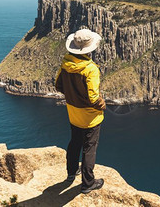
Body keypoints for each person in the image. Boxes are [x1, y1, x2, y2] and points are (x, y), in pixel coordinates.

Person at [54, 28, 106, 194]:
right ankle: (87, 183)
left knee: (74, 142)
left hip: (73, 113)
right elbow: (93, 98)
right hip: (91, 117)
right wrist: (102, 104)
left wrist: (73, 95)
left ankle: (71, 172)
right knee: (89, 148)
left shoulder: (66, 63)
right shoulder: (90, 69)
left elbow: (58, 85)